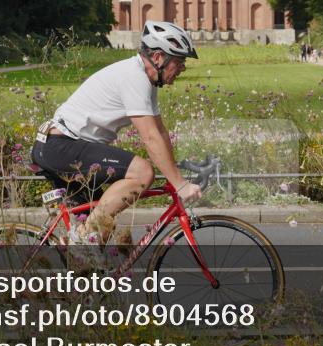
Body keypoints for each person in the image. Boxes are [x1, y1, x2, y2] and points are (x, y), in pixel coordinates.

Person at [31, 21, 203, 253]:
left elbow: (160, 133)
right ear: (159, 57)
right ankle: (81, 239)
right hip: (61, 145)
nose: (182, 69)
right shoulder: (134, 78)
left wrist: (176, 174)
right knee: (142, 172)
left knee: (102, 229)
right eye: (179, 61)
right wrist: (179, 184)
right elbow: (150, 139)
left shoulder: (146, 81)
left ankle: (80, 282)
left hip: (63, 147)